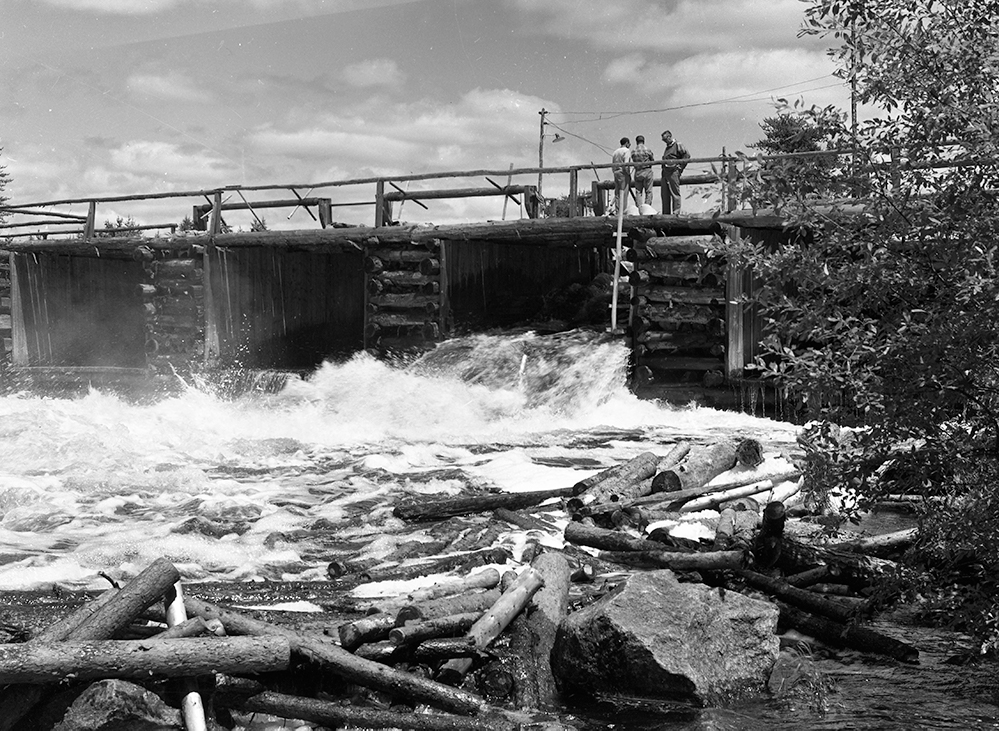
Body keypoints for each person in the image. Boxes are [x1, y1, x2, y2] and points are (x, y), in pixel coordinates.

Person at [660, 129, 690, 214]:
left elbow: (686, 155)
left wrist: (680, 168)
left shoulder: (678, 144)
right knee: (664, 194)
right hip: (665, 171)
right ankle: (665, 214)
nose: (665, 141)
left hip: (673, 171)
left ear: (669, 137)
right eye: (663, 140)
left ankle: (676, 213)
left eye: (665, 139)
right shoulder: (667, 147)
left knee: (675, 193)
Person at [631, 135, 656, 207]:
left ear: (636, 142)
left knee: (638, 192)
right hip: (647, 170)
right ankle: (647, 207)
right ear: (644, 141)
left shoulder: (633, 151)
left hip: (638, 172)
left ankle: (639, 207)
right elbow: (652, 160)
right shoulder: (647, 150)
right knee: (648, 191)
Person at [609, 137, 631, 215]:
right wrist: (627, 173)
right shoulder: (627, 151)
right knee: (624, 193)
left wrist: (614, 171)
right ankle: (623, 211)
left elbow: (612, 164)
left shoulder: (615, 152)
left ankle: (618, 211)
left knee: (617, 193)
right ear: (627, 143)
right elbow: (626, 163)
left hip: (616, 172)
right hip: (623, 172)